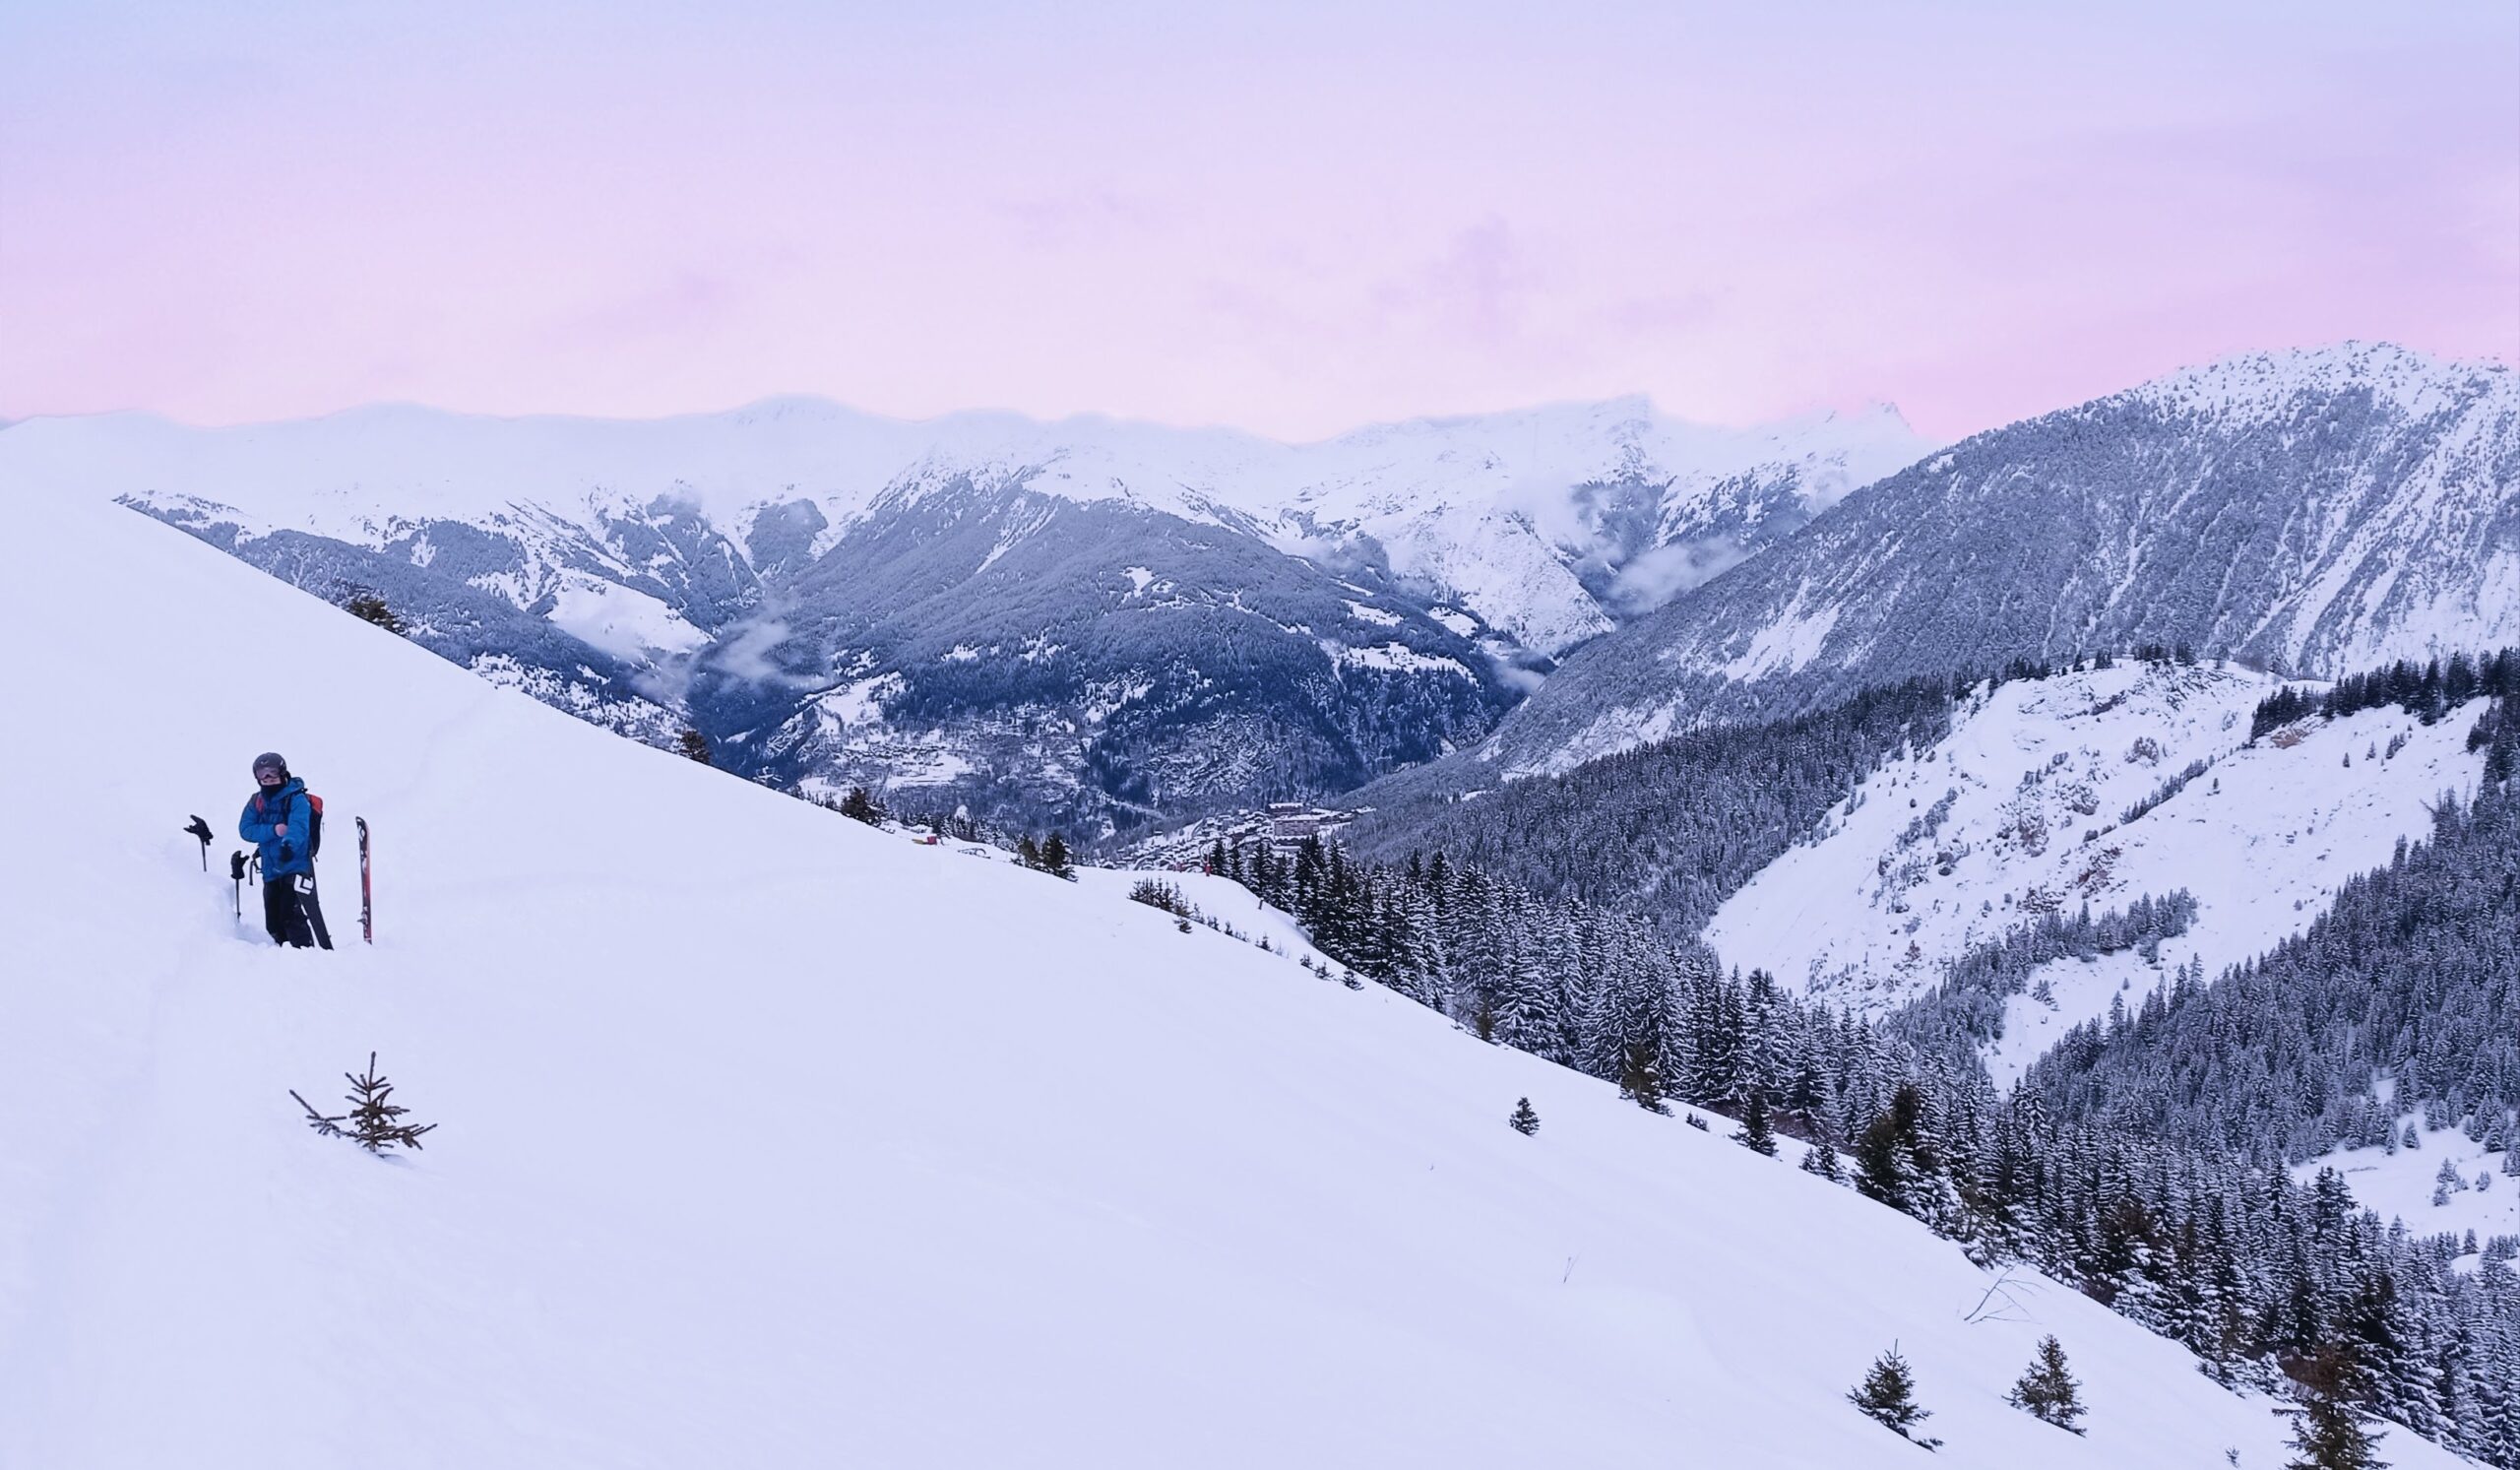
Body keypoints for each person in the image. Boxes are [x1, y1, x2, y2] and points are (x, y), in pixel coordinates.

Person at [239, 751, 332, 949]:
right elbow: (246, 829)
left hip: (295, 867)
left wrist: (289, 845)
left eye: (271, 773)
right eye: (262, 774)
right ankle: (283, 959)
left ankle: (306, 956)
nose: (267, 779)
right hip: (270, 870)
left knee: (291, 916)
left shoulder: (296, 799)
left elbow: (299, 827)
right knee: (273, 922)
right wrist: (274, 830)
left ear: (282, 772)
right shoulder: (257, 801)